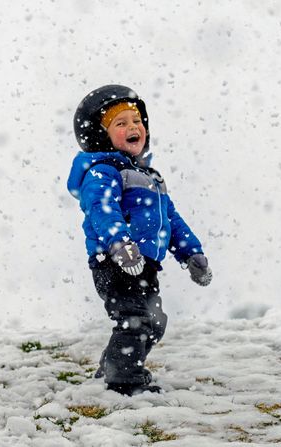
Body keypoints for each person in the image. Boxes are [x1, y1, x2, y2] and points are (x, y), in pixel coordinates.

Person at [66, 85, 212, 396]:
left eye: (137, 121)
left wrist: (191, 254)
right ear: (101, 136)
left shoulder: (151, 178)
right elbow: (101, 210)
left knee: (153, 321)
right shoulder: (103, 172)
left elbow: (171, 220)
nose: (133, 128)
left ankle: (111, 366)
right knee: (134, 319)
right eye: (121, 124)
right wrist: (120, 244)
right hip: (115, 261)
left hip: (145, 265)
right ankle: (124, 381)